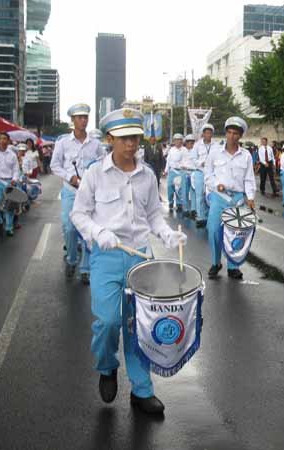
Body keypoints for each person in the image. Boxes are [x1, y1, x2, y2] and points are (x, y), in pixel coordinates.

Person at [70, 107, 187, 415]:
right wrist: (98, 232)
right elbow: (79, 214)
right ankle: (107, 366)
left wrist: (167, 235)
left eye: (135, 137)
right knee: (108, 322)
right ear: (110, 139)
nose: (131, 144)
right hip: (107, 257)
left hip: (141, 257)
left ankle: (142, 390)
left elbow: (153, 216)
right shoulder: (95, 173)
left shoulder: (146, 175)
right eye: (124, 138)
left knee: (139, 326)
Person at [51, 103, 105, 282]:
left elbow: (103, 163)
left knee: (88, 230)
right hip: (70, 191)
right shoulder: (63, 143)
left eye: (85, 117)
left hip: (89, 193)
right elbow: (54, 165)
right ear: (72, 120)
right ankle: (72, 259)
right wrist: (70, 177)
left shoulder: (95, 144)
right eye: (79, 117)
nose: (83, 120)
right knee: (69, 227)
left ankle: (85, 268)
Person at [204, 117, 255, 280]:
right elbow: (207, 174)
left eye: (236, 134)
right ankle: (215, 262)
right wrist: (216, 184)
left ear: (240, 136)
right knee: (213, 230)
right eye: (230, 132)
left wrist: (250, 197)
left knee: (235, 232)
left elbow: (249, 178)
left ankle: (233, 266)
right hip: (219, 196)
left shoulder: (246, 155)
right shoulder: (215, 152)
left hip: (237, 198)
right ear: (226, 133)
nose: (232, 136)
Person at [0, 132, 20, 237]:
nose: (3, 140)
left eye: (5, 139)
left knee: (9, 206)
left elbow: (16, 169)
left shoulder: (12, 155)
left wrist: (14, 179)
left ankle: (9, 227)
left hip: (9, 183)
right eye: (1, 138)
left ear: (8, 141)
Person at [191, 123, 215, 228]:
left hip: (212, 174)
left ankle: (210, 217)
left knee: (210, 196)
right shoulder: (197, 145)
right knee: (199, 195)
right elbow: (193, 158)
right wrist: (201, 163)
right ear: (203, 134)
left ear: (212, 134)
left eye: (210, 133)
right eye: (206, 133)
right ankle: (201, 217)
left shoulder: (216, 145)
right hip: (200, 172)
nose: (208, 135)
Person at [163, 133, 186, 212]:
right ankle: (170, 202)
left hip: (180, 171)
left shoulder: (184, 150)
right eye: (176, 140)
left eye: (179, 140)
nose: (177, 142)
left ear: (182, 141)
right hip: (172, 171)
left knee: (179, 189)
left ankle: (179, 203)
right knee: (170, 187)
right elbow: (168, 161)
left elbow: (186, 161)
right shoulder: (171, 149)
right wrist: (166, 170)